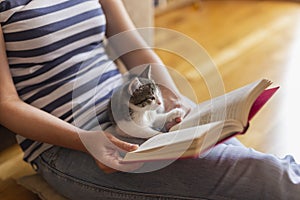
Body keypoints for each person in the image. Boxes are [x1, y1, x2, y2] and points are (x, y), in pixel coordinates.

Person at [0, 0, 299, 199]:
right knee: (268, 177)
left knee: (257, 168)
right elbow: (6, 104)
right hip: (66, 144)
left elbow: (131, 44)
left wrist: (172, 100)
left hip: (134, 109)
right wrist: (87, 141)